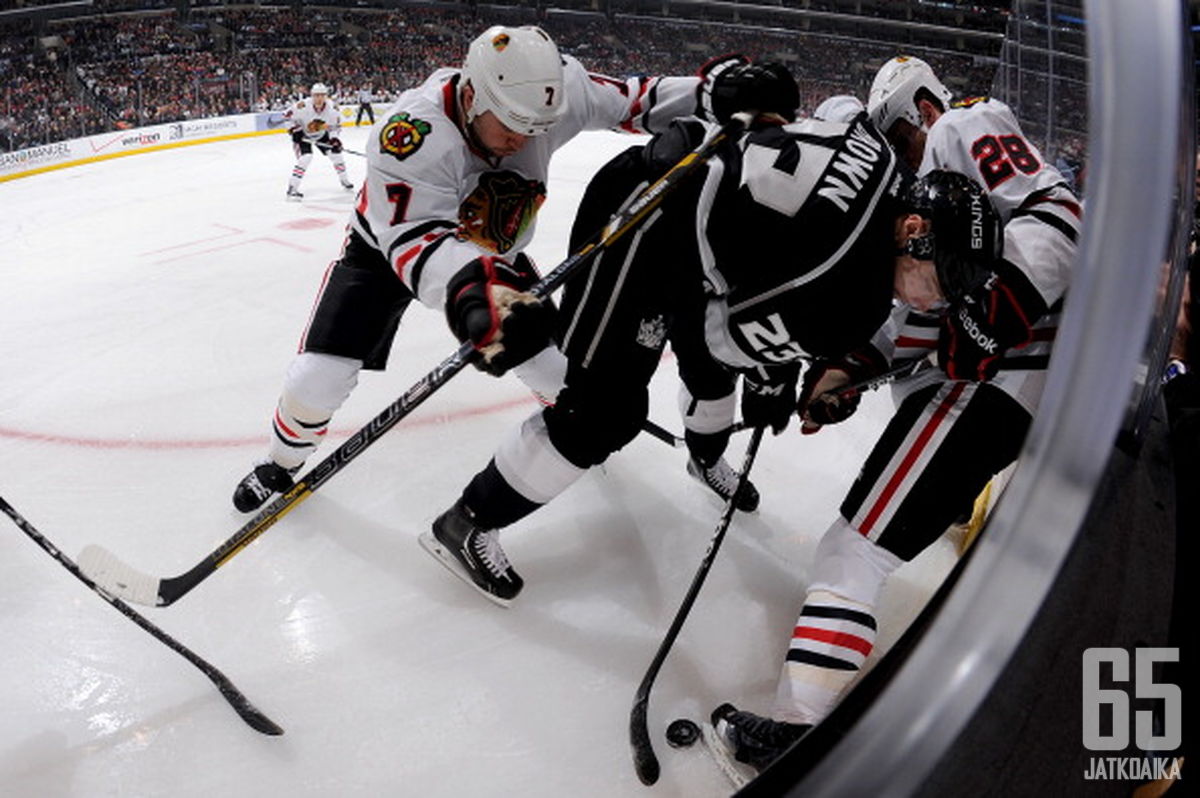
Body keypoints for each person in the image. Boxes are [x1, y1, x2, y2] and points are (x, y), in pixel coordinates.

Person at [418, 62, 1018, 608]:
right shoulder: (848, 299)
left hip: (690, 209)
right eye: (941, 283)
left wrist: (798, 360)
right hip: (640, 226)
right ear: (912, 230)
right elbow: (717, 336)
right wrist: (777, 376)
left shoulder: (889, 164)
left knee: (709, 376)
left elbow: (832, 110)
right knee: (605, 412)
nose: (937, 303)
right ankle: (469, 519)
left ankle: (703, 460)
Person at [231, 26, 782, 515]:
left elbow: (636, 100)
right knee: (316, 380)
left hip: (496, 256)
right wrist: (474, 297)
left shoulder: (553, 90)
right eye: (513, 125)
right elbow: (417, 243)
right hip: (389, 253)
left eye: (536, 127)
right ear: (472, 94)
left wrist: (714, 93)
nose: (523, 141)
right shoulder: (411, 133)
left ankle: (564, 437)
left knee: (557, 372)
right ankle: (282, 462)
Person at [710, 55, 1082, 772]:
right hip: (1001, 383)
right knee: (859, 548)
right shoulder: (942, 223)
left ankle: (797, 735)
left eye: (897, 139)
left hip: (999, 383)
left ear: (916, 114)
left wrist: (998, 317)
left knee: (855, 551)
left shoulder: (963, 127)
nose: (899, 165)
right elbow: (924, 328)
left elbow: (1061, 216)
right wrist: (846, 372)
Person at [284, 82, 354, 199]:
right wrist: (294, 130)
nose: (319, 98)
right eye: (316, 95)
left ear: (326, 96)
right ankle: (292, 187)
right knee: (305, 158)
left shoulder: (333, 109)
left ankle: (344, 180)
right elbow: (286, 116)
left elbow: (334, 127)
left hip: (321, 135)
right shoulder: (302, 106)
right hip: (303, 136)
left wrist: (334, 139)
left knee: (337, 155)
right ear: (312, 95)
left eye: (322, 95)